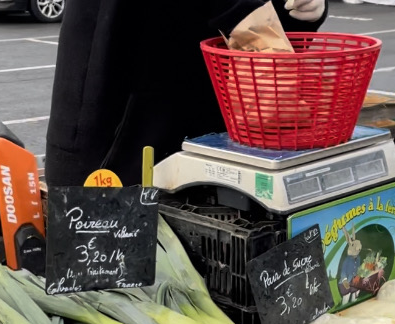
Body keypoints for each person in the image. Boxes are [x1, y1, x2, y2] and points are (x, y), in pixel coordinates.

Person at [46, 0, 328, 188]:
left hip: (205, 135)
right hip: (121, 131)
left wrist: (299, 11)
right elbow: (250, 19)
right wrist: (251, 14)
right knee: (108, 256)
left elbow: (266, 25)